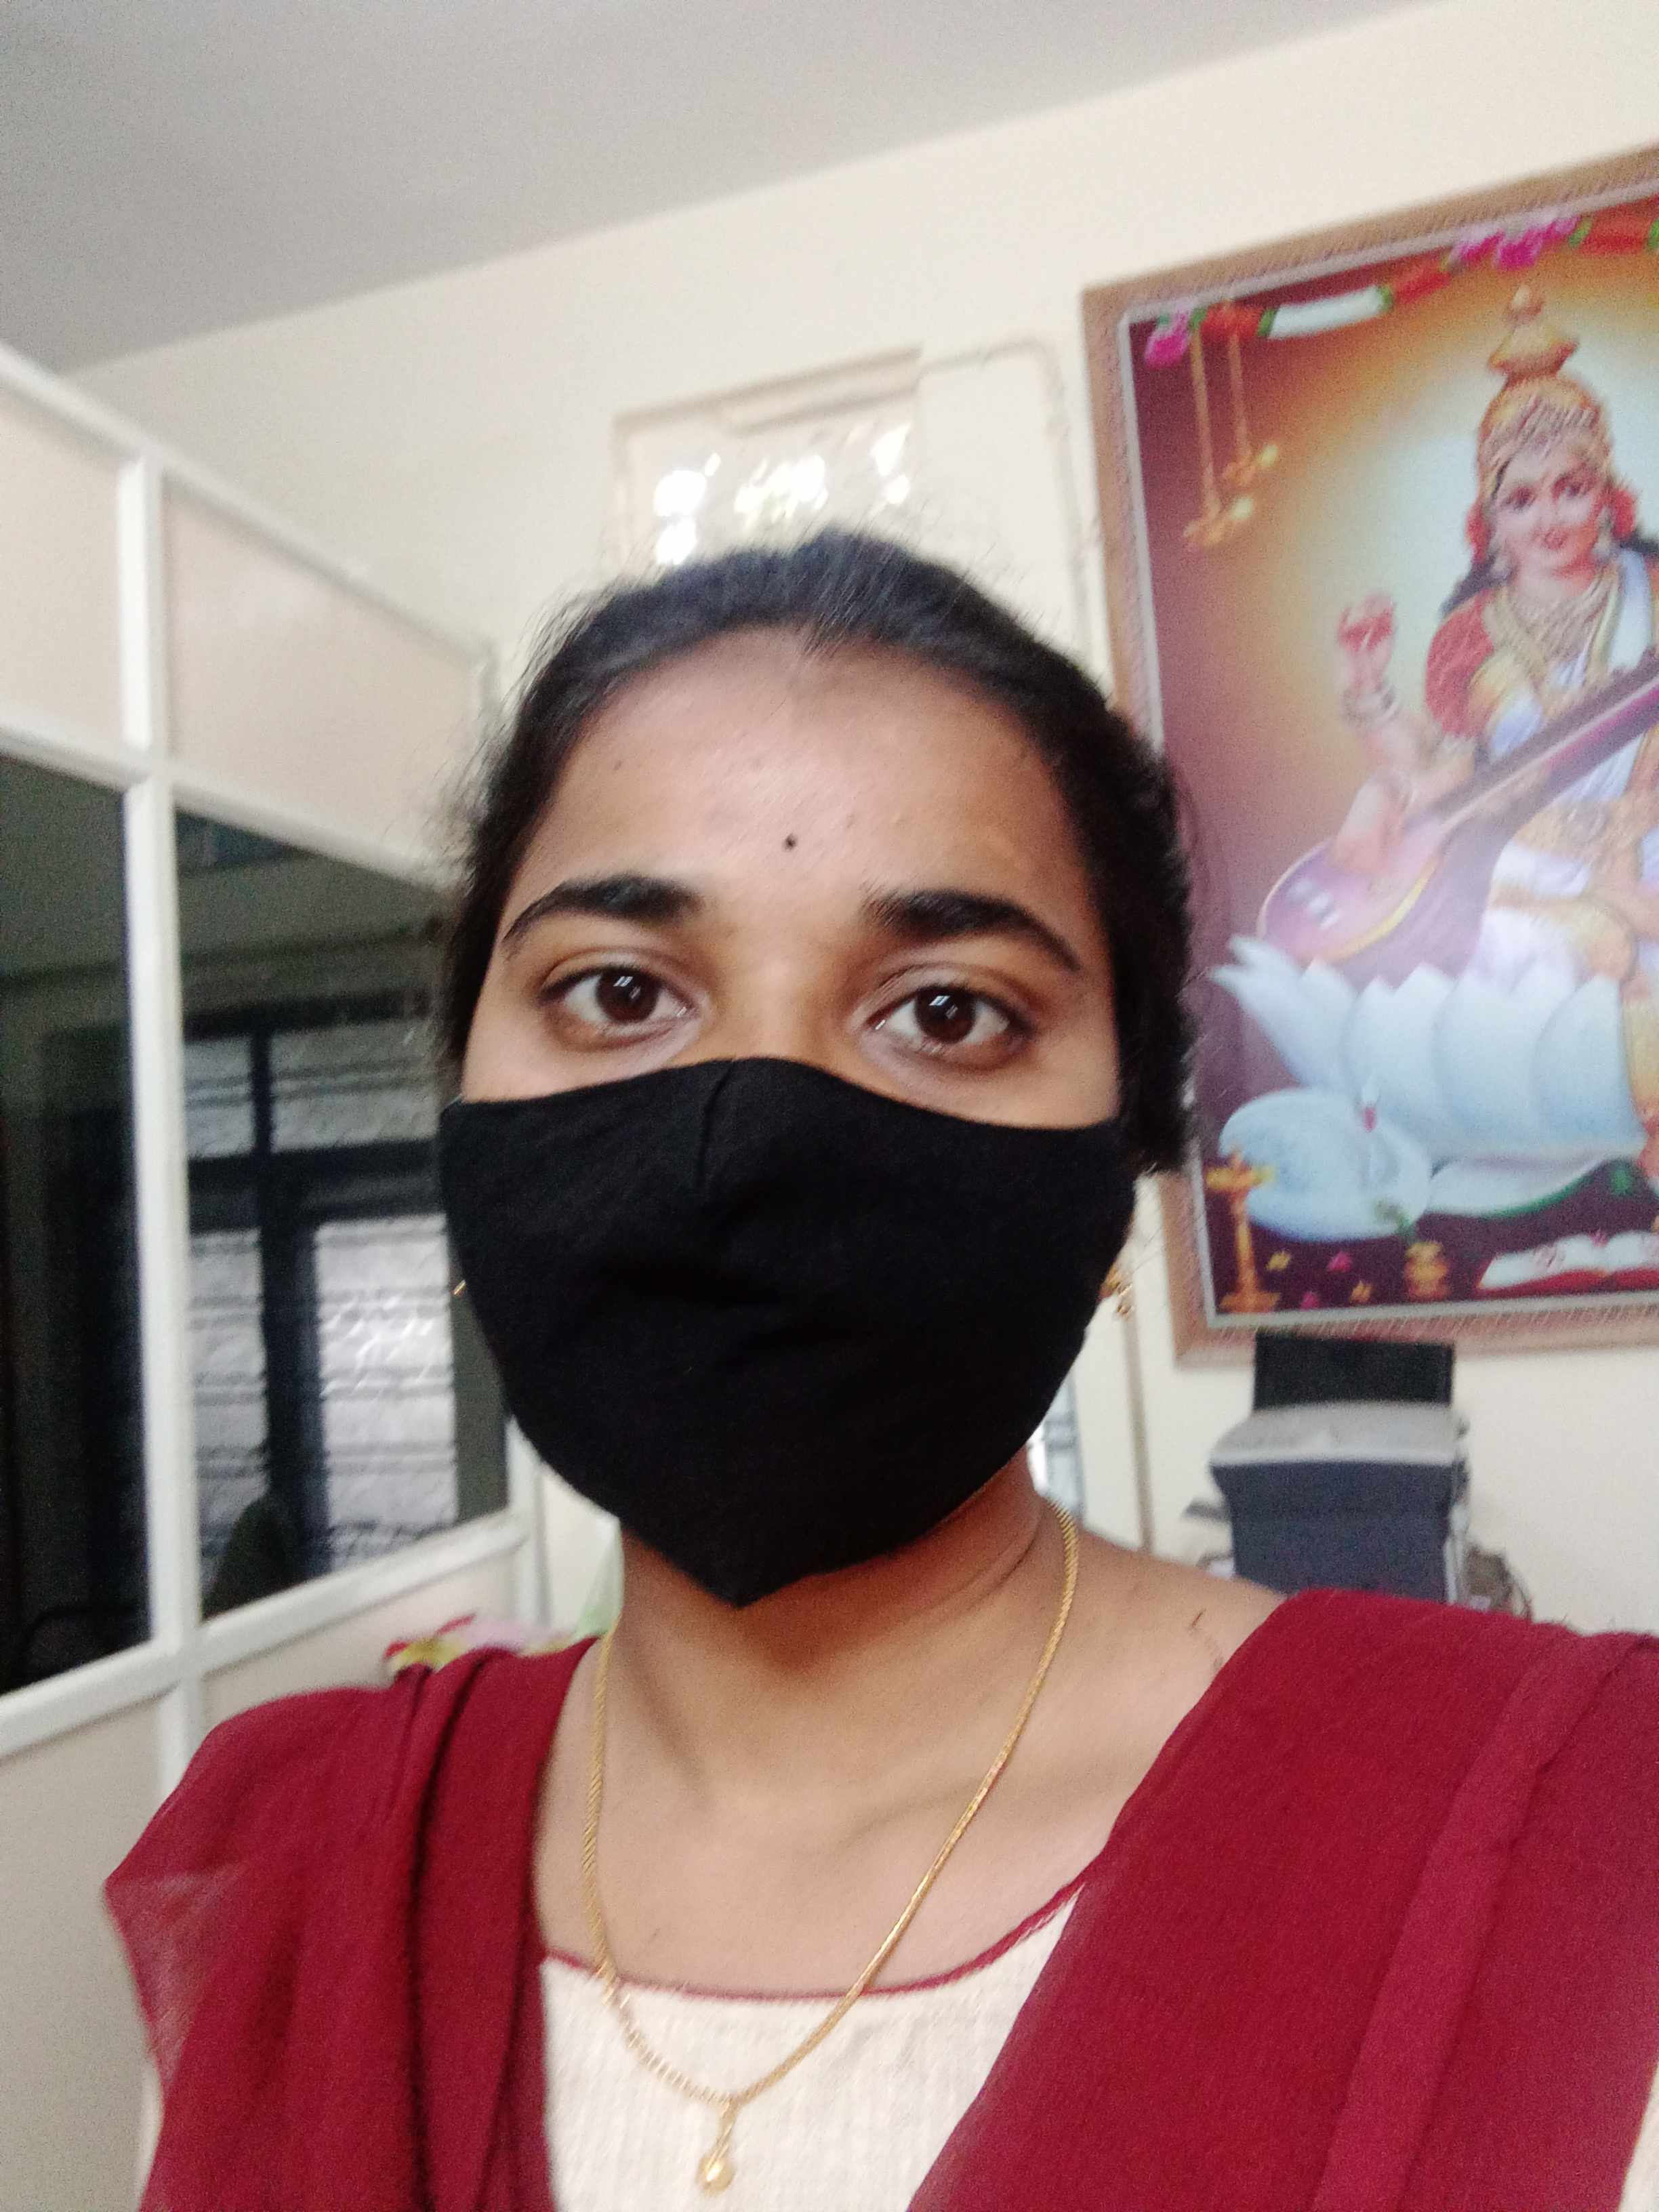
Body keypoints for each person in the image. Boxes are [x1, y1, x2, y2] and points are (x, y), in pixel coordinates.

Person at [108, 531, 1659, 2211]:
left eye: (946, 1012)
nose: (755, 1147)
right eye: (618, 990)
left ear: (1126, 1159)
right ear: (463, 1098)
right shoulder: (293, 1878)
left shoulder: (1570, 1853)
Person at [1333, 285, 1659, 1169]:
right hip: (1532, 881)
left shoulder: (1651, 595)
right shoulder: (1473, 635)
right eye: (1522, 500)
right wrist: (1368, 690)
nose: (1549, 518)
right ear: (1490, 521)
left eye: (1571, 488)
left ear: (1608, 495)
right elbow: (1441, 780)